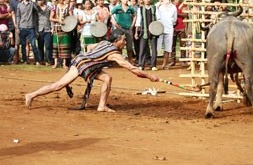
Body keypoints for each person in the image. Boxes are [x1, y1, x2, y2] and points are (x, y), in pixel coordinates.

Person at [25, 29, 159, 112]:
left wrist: (93, 61)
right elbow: (132, 69)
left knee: (107, 78)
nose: (125, 43)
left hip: (85, 62)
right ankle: (31, 95)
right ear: (117, 40)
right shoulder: (114, 54)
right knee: (59, 85)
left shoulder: (103, 43)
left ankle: (102, 106)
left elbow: (89, 47)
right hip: (82, 64)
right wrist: (149, 76)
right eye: (123, 40)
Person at [16, 0, 41, 65]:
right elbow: (18, 16)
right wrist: (17, 27)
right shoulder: (19, 5)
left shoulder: (32, 4)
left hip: (31, 27)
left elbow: (38, 9)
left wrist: (33, 0)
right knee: (23, 45)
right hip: (22, 27)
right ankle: (25, 60)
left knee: (33, 44)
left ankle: (37, 60)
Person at [111, 0, 136, 64]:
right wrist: (114, 23)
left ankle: (130, 60)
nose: (126, 0)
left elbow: (135, 15)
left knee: (129, 46)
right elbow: (110, 15)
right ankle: (120, 60)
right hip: (120, 28)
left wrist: (132, 24)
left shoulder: (130, 8)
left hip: (128, 28)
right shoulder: (117, 7)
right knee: (119, 45)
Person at [135, 0, 158, 71]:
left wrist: (158, 30)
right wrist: (136, 32)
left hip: (153, 31)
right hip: (144, 31)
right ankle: (141, 65)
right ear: (143, 0)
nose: (147, 0)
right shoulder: (140, 9)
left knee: (154, 49)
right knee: (142, 48)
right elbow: (138, 21)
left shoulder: (154, 8)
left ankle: (153, 65)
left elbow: (158, 19)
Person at [50, 0, 74, 68]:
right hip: (57, 27)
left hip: (66, 28)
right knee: (56, 45)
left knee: (65, 45)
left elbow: (71, 17)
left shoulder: (69, 6)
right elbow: (50, 18)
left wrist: (69, 23)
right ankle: (56, 63)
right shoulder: (54, 7)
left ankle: (64, 63)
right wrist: (58, 20)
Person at [156, 0, 177, 70]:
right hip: (159, 29)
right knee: (157, 47)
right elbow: (154, 9)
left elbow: (174, 19)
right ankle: (155, 64)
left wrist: (170, 23)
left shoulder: (173, 7)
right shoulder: (158, 6)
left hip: (169, 29)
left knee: (168, 48)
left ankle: (164, 64)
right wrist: (160, 3)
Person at [170, 0, 187, 67]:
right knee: (172, 45)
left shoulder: (183, 5)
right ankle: (173, 61)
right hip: (172, 27)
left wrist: (176, 13)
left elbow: (185, 14)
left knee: (183, 44)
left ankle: (183, 60)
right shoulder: (170, 5)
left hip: (181, 27)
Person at [36, 0, 53, 66]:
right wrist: (35, 30)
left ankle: (48, 60)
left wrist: (52, 28)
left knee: (48, 45)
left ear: (44, 0)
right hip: (39, 28)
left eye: (41, 0)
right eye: (38, 0)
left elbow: (51, 18)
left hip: (47, 28)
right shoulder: (36, 8)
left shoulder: (49, 8)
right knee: (40, 46)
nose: (40, 1)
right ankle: (40, 60)